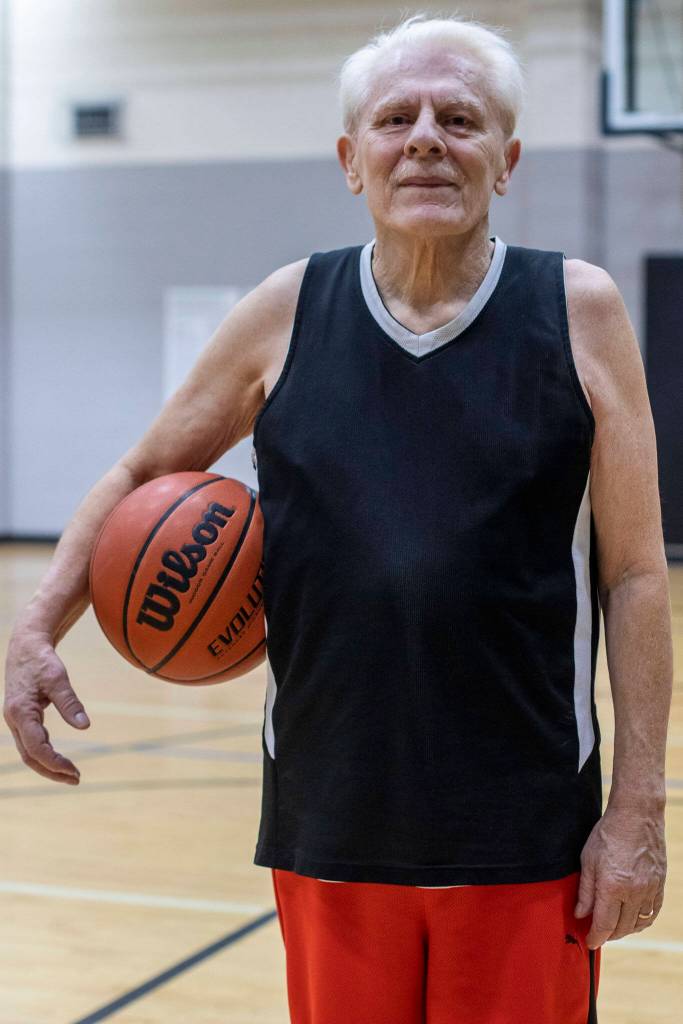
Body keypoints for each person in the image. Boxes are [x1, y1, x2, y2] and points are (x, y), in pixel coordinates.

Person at [4, 11, 672, 1024]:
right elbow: (144, 469)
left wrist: (634, 809)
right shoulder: (284, 311)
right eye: (394, 117)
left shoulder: (576, 310)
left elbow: (632, 573)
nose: (424, 138)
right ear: (349, 159)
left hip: (523, 828)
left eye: (460, 118)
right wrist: (36, 627)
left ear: (508, 160)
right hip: (330, 816)